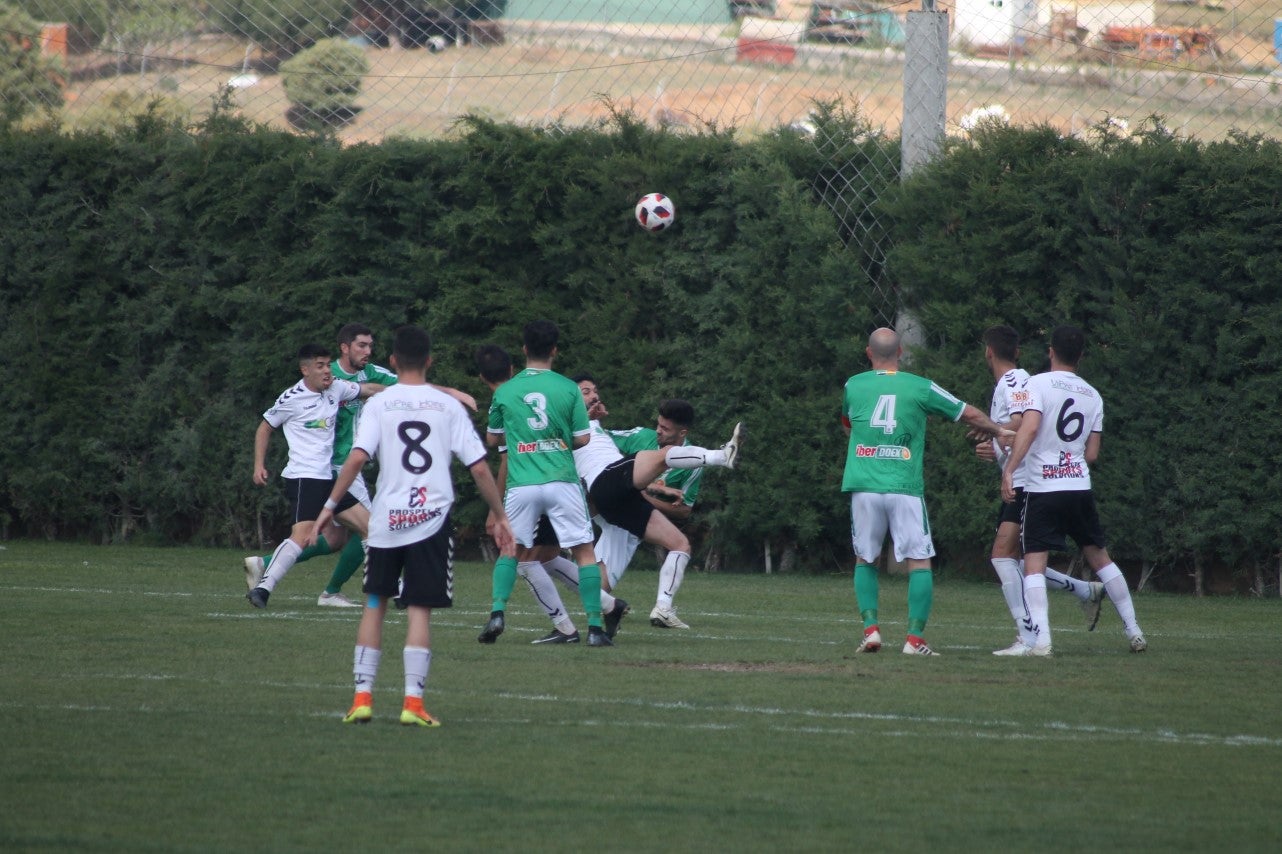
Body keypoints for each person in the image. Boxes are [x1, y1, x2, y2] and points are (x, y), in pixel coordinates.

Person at [310, 324, 515, 726]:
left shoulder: (379, 403)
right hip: (430, 520)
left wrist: (329, 505)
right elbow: (479, 468)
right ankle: (412, 704)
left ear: (392, 361)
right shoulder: (447, 406)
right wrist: (501, 515)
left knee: (374, 603)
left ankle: (362, 698)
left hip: (386, 519)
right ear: (430, 361)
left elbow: (356, 458)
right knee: (419, 609)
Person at [842, 327, 1009, 656]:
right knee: (919, 561)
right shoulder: (920, 386)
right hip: (904, 486)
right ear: (900, 352)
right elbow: (966, 412)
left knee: (865, 557)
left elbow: (848, 426)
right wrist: (998, 429)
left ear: (868, 353)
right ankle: (914, 639)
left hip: (864, 484)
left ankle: (871, 631)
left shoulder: (853, 384)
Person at [1000, 325, 1148, 656]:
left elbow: (1030, 427)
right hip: (1079, 485)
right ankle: (1134, 630)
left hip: (1043, 487)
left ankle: (1042, 641)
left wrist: (1010, 469)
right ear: (1081, 356)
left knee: (1034, 562)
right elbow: (1092, 454)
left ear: (1050, 351)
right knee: (1101, 559)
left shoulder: (1036, 383)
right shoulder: (1093, 395)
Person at [474, 346, 629, 645]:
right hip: (562, 482)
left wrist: (495, 509)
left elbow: (503, 455)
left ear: (481, 377)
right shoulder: (563, 387)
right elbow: (579, 436)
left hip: (526, 484)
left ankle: (554, 624)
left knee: (524, 557)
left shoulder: (507, 396)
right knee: (560, 555)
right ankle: (600, 619)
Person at [243, 323, 397, 607]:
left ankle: (389, 588)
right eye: (320, 366)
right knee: (301, 536)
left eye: (327, 365)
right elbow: (265, 427)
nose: (327, 371)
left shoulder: (335, 388)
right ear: (305, 370)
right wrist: (258, 465)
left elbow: (367, 389)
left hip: (330, 477)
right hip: (305, 477)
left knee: (371, 528)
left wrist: (396, 393)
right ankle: (263, 589)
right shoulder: (291, 398)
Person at [975, 325, 1106, 656]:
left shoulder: (1012, 380)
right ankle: (1083, 591)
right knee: (1019, 563)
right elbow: (1016, 427)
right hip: (1025, 478)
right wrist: (996, 442)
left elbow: (1022, 422)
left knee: (1004, 557)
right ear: (1017, 351)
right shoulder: (1015, 379)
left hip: (1026, 480)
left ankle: (1029, 636)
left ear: (988, 352)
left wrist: (992, 432)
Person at [604, 398, 705, 628]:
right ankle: (662, 609)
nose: (658, 431)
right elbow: (601, 438)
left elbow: (684, 510)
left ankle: (660, 610)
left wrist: (644, 497)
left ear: (682, 433)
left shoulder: (692, 463)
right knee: (681, 545)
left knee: (601, 585)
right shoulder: (641, 436)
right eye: (658, 425)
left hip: (637, 519)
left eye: (665, 428)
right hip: (611, 508)